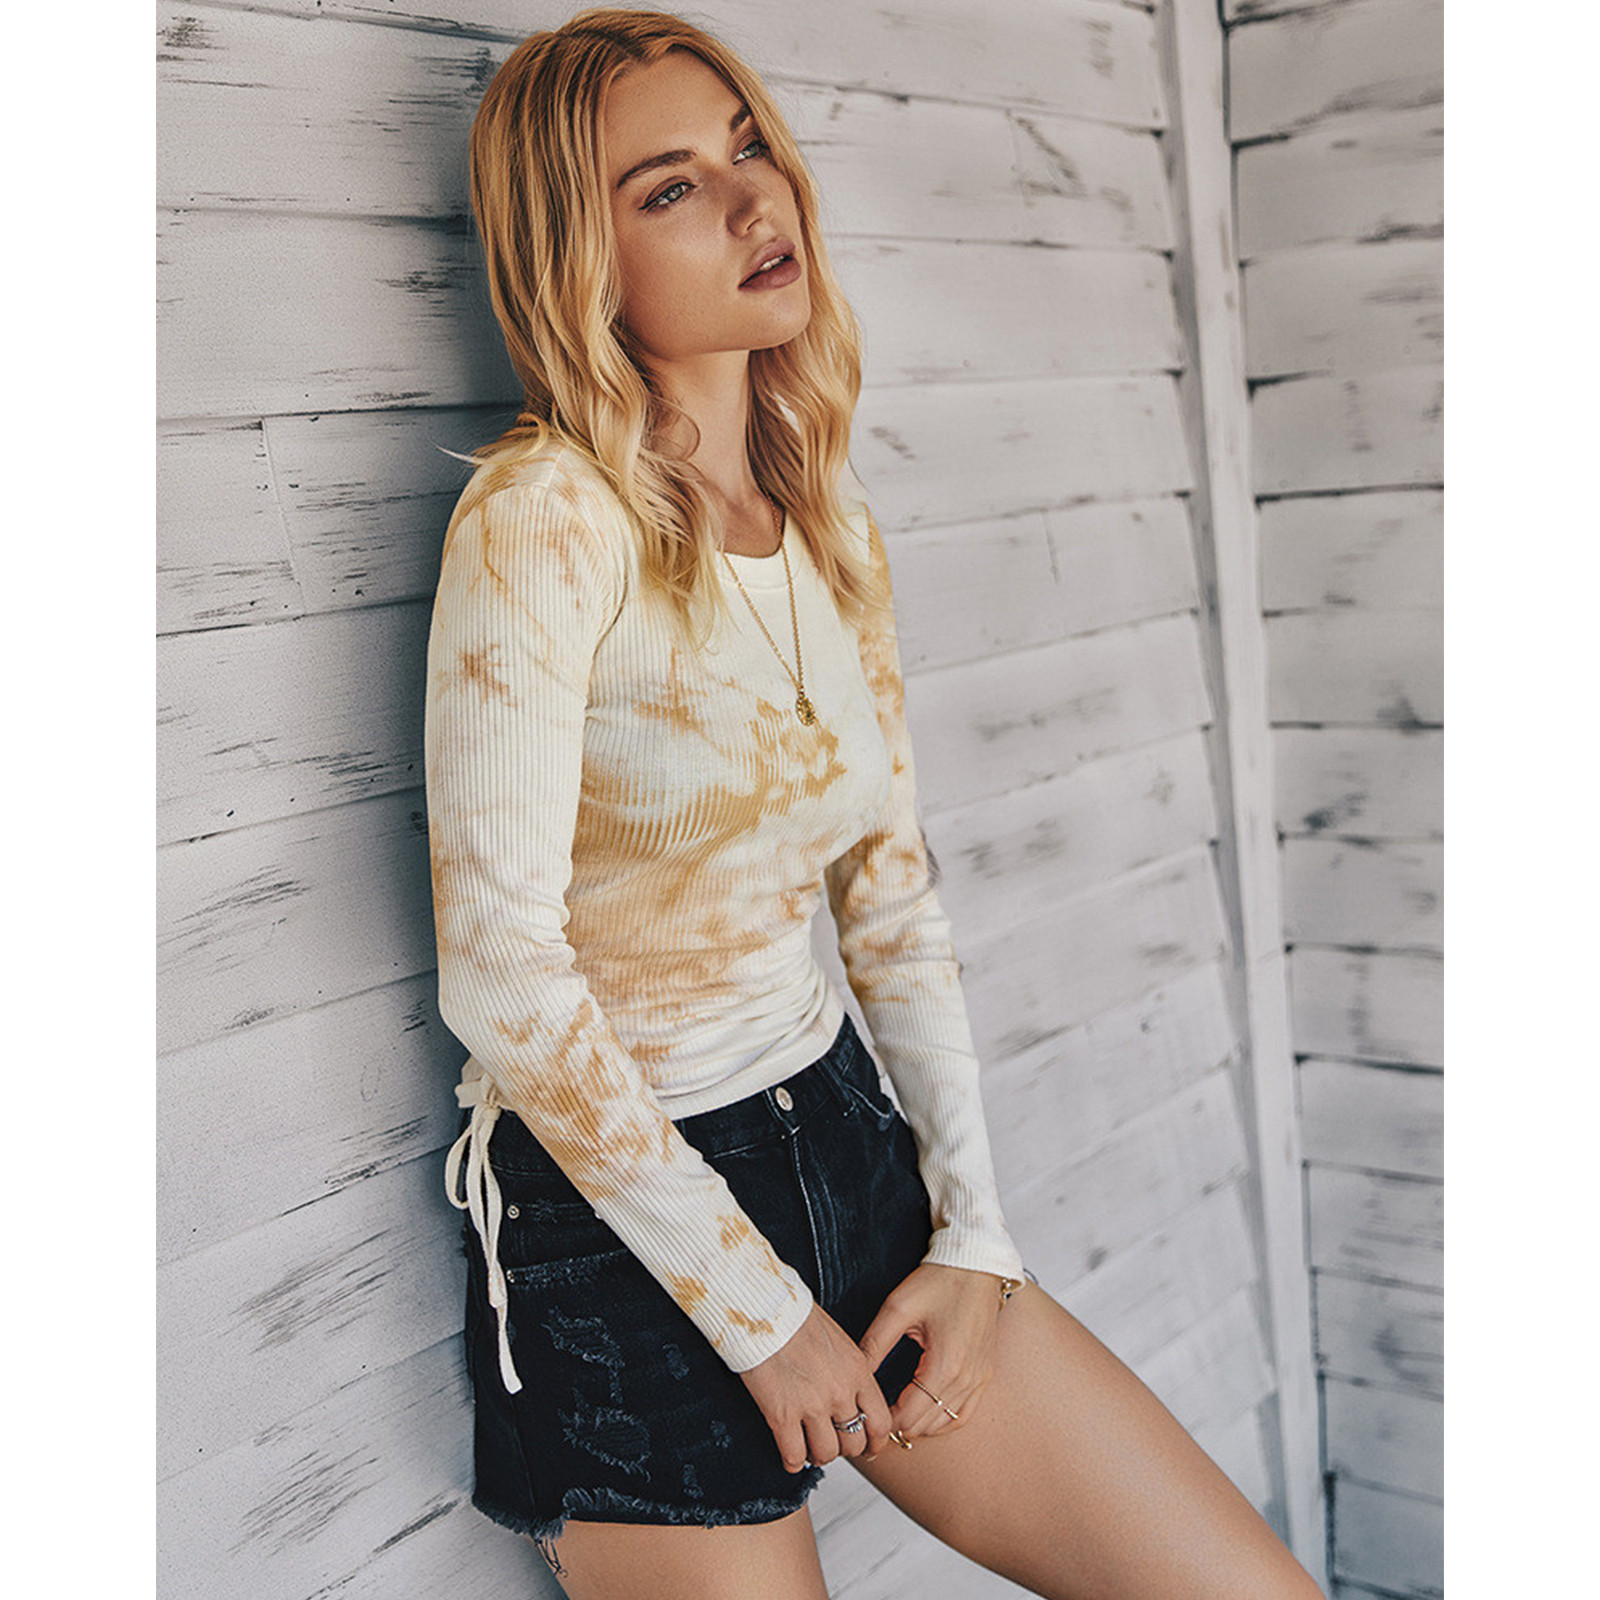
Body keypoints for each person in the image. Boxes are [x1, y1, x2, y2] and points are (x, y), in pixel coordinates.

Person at [425, 9, 1325, 1598]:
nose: (754, 200)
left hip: (842, 1138)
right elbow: (503, 975)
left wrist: (974, 1231)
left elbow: (889, 900)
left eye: (748, 147)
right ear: (579, 258)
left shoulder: (822, 514)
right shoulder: (543, 518)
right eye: (670, 187)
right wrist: (759, 1314)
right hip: (630, 1236)